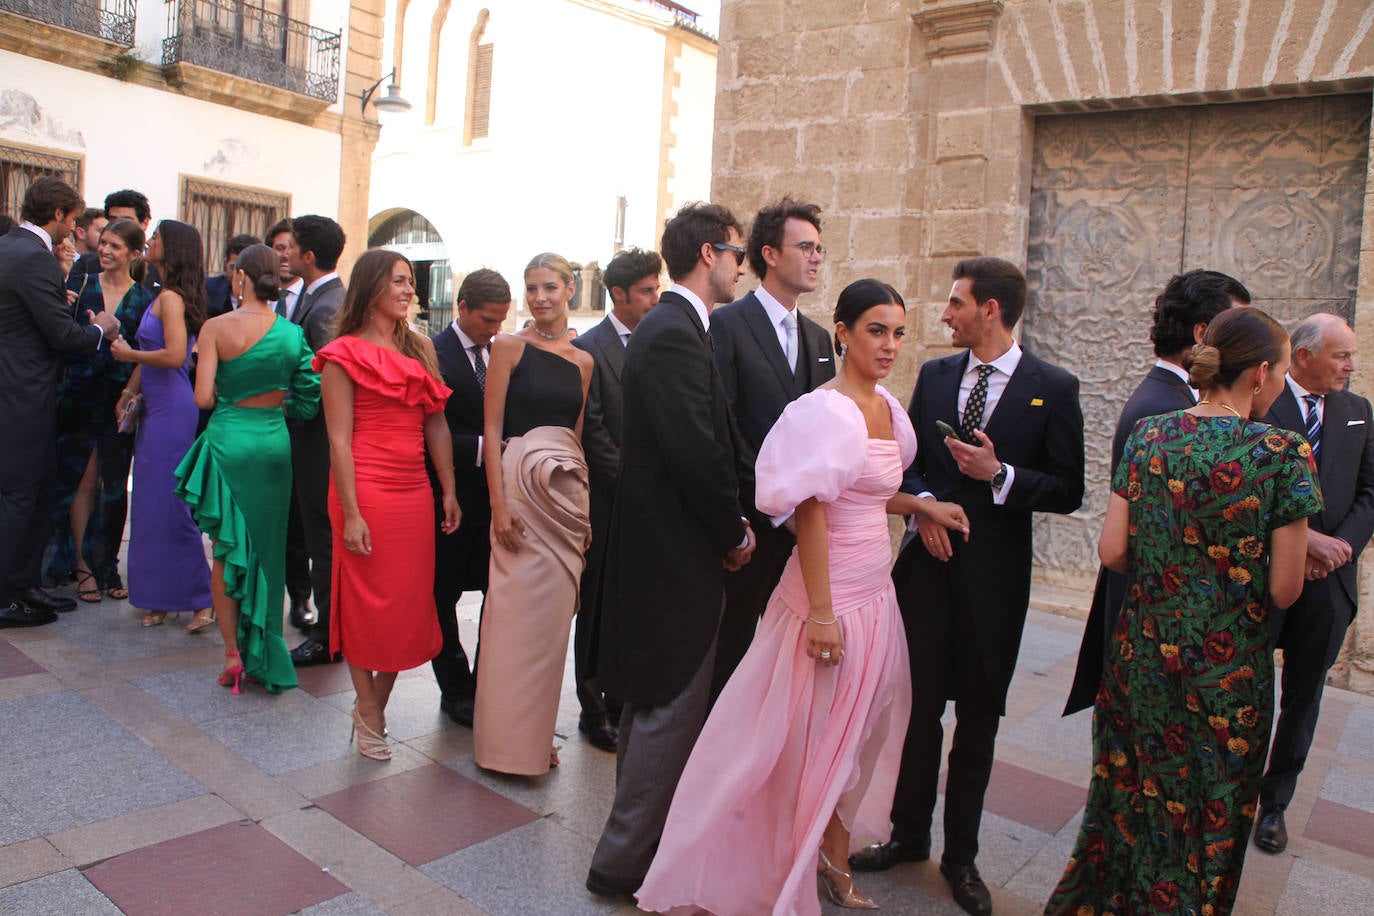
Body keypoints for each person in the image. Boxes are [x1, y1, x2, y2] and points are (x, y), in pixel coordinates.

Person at [637, 279, 972, 915]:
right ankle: (762, 856)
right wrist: (821, 613)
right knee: (797, 737)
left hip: (877, 593)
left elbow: (865, 491)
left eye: (898, 332)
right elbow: (814, 512)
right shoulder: (825, 409)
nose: (890, 345)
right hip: (828, 597)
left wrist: (924, 506)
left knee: (858, 734)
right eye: (876, 330)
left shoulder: (885, 407)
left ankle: (832, 852)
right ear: (841, 332)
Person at [1046, 306, 1320, 915]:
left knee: (1128, 801)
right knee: (1209, 817)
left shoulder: (1150, 435)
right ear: (1260, 373)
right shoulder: (1282, 452)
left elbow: (1113, 549)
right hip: (1226, 679)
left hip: (1140, 658)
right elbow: (1283, 590)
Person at [850, 257, 1085, 916]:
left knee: (978, 719)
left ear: (989, 309)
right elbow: (913, 462)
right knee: (917, 710)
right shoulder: (935, 374)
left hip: (994, 583)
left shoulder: (1054, 387)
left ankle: (962, 858)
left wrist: (999, 472)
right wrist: (923, 506)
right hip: (925, 572)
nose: (945, 314)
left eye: (955, 303)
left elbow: (1069, 489)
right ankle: (907, 835)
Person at [586, 202, 756, 899]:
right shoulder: (675, 330)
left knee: (655, 704)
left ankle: (633, 851)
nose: (741, 268)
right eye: (738, 255)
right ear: (710, 253)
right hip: (675, 556)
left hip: (668, 550)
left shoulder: (680, 326)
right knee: (669, 705)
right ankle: (620, 864)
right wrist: (734, 530)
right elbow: (696, 449)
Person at [1063, 269, 1249, 715]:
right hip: (1156, 622)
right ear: (1202, 333)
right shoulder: (1167, 410)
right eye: (1236, 325)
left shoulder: (1172, 400)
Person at [315, 249, 460, 760]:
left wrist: (447, 487)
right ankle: (370, 708)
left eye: (411, 283)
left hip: (412, 491)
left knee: (409, 602)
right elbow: (338, 441)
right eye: (398, 281)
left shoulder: (420, 349)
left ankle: (376, 700)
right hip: (364, 490)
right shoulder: (341, 353)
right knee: (362, 600)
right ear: (371, 286)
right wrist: (351, 512)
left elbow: (436, 422)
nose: (408, 290)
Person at [174, 245, 320, 692]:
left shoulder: (216, 328)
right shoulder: (292, 334)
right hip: (272, 443)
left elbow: (201, 398)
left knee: (226, 550)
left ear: (240, 277)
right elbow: (310, 399)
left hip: (229, 440)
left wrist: (231, 398)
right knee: (270, 549)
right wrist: (277, 406)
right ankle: (267, 647)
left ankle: (233, 655)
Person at [708, 197, 837, 702]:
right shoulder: (728, 325)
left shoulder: (820, 338)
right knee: (733, 654)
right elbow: (727, 425)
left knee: (789, 663)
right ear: (770, 254)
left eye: (819, 248)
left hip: (803, 532)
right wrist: (769, 508)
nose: (816, 257)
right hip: (752, 527)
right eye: (805, 246)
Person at [1254, 313, 1374, 854]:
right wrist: (1303, 547)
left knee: (1304, 698)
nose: (1351, 365)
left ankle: (1274, 806)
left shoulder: (1357, 412)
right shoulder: (1261, 404)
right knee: (1246, 690)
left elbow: (1371, 491)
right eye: (1341, 355)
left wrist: (1339, 548)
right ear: (1304, 355)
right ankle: (1230, 788)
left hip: (1329, 586)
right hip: (1261, 578)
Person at [471, 252, 593, 775]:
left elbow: (578, 440)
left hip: (565, 504)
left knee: (549, 632)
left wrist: (581, 518)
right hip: (518, 497)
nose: (539, 297)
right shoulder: (507, 346)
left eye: (549, 287)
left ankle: (536, 737)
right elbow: (492, 430)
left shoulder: (584, 361)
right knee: (509, 624)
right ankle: (501, 746)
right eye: (531, 288)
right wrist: (498, 506)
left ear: (570, 289)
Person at [0, 178, 119, 629]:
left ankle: (24, 584)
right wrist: (101, 329)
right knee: (21, 496)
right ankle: (6, 595)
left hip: (17, 390)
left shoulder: (9, 248)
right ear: (56, 215)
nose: (72, 230)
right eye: (71, 221)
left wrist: (58, 301)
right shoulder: (35, 259)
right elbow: (63, 337)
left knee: (37, 490)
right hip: (24, 394)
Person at [570, 247, 662, 752]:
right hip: (606, 504)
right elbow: (594, 432)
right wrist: (634, 486)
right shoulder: (589, 347)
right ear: (619, 295)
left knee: (637, 603)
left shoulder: (661, 341)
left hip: (651, 505)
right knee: (598, 608)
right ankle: (594, 707)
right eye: (646, 291)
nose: (655, 298)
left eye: (656, 288)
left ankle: (626, 696)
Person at [111, 220, 213, 627]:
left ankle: (201, 597)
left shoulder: (171, 298)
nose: (149, 241)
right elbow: (152, 350)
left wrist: (128, 357)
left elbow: (174, 357)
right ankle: (161, 595)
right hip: (155, 405)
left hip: (172, 409)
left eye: (156, 238)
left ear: (171, 249)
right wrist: (130, 391)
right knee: (151, 507)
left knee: (171, 506)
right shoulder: (163, 295)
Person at [47, 218, 155, 602]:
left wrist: (129, 393)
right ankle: (82, 566)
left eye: (116, 246)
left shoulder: (145, 299)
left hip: (119, 400)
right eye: (104, 243)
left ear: (134, 254)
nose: (106, 251)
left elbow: (146, 353)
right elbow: (61, 340)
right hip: (78, 396)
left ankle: (107, 563)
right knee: (81, 480)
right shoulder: (80, 286)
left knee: (113, 485)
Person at [431, 268, 512, 729]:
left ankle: (485, 684)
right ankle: (455, 687)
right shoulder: (432, 353)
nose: (494, 329)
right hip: (450, 496)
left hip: (497, 500)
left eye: (501, 320)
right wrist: (485, 448)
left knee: (497, 594)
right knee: (440, 596)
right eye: (486, 320)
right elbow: (427, 428)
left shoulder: (504, 350)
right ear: (461, 308)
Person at [288, 214, 347, 666]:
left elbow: (322, 386)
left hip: (319, 445)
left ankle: (329, 634)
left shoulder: (328, 307)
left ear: (308, 255)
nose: (283, 254)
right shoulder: (319, 298)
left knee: (323, 543)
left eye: (290, 247)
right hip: (314, 444)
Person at [265, 218, 313, 632]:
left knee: (297, 520)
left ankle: (301, 598)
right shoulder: (256, 302)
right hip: (259, 426)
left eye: (288, 246)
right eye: (276, 247)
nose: (283, 254)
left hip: (299, 426)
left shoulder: (315, 301)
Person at [205, 233, 261, 318]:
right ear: (225, 264)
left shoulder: (266, 296)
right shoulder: (209, 290)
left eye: (248, 269)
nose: (241, 275)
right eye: (234, 267)